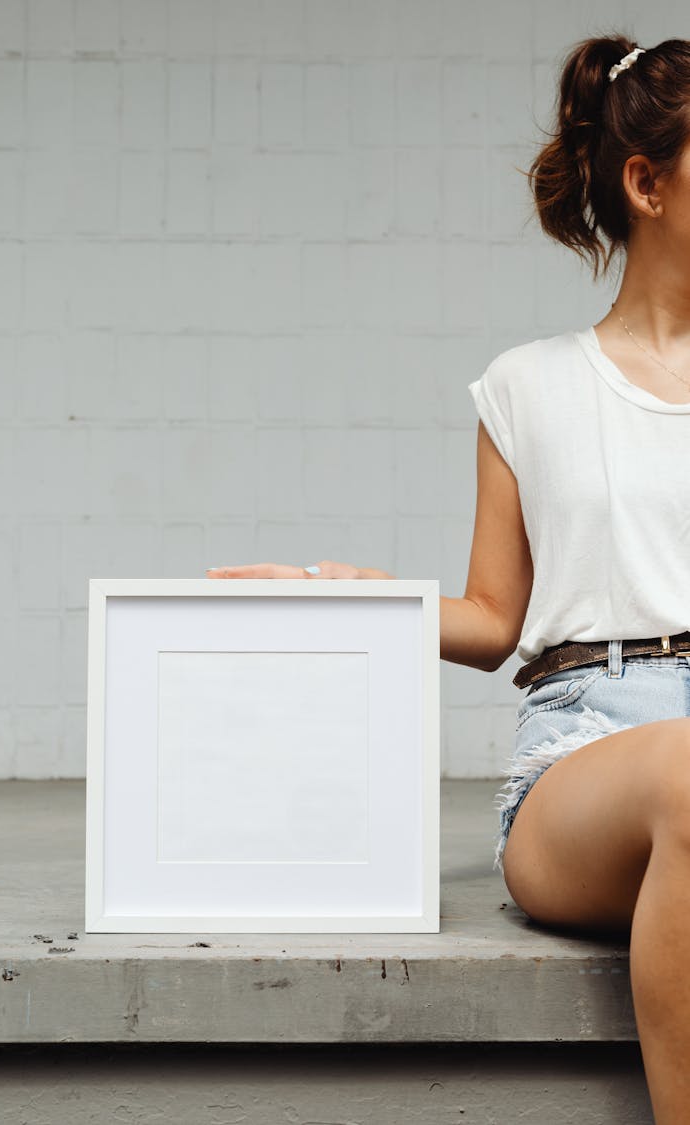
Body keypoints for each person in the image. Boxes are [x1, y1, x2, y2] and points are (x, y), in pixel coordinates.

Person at [206, 34, 690, 1121]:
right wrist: (360, 599)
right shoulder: (528, 388)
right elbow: (495, 619)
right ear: (646, 182)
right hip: (588, 753)